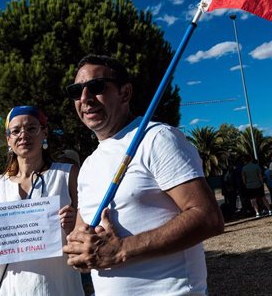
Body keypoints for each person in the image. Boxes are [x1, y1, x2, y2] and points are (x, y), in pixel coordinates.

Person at [62, 54, 224, 295]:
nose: (85, 98)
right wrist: (80, 248)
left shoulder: (157, 138)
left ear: (125, 93)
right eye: (76, 91)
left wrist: (122, 249)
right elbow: (82, 232)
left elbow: (208, 217)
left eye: (96, 87)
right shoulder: (88, 165)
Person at [0, 106, 84, 296]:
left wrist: (73, 227)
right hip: (9, 290)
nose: (23, 135)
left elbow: (88, 235)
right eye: (16, 131)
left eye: (31, 128)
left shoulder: (67, 175)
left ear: (45, 133)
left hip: (58, 287)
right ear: (8, 138)